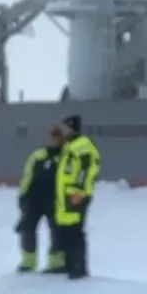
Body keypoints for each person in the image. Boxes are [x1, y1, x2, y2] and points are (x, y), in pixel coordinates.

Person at [53, 115, 99, 280]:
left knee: (75, 231)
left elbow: (84, 169)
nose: (62, 132)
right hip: (66, 194)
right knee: (66, 229)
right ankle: (69, 263)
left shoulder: (82, 146)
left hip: (74, 195)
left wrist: (78, 190)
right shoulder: (69, 146)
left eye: (65, 128)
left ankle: (79, 267)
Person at [16, 127, 64, 273]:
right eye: (52, 137)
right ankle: (28, 262)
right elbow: (28, 176)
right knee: (27, 229)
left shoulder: (65, 157)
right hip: (33, 200)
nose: (54, 140)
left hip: (55, 200)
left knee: (57, 231)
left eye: (57, 137)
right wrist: (22, 195)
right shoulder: (37, 156)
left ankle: (56, 264)